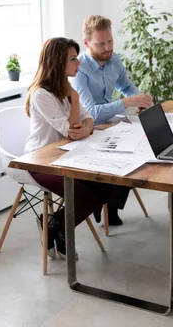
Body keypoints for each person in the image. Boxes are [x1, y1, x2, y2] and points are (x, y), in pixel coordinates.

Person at [24, 37, 113, 259]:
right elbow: (71, 129)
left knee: (106, 189)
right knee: (80, 194)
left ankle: (54, 225)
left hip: (69, 156)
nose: (78, 63)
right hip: (42, 163)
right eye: (73, 59)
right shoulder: (42, 95)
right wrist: (73, 99)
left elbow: (86, 118)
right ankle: (59, 228)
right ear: (57, 62)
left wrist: (87, 129)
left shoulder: (64, 87)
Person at [70, 15, 153, 225]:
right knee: (129, 156)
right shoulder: (79, 70)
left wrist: (140, 99)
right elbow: (92, 113)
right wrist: (129, 102)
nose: (107, 48)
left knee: (144, 150)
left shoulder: (113, 59)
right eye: (101, 44)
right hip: (88, 130)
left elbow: (126, 87)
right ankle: (107, 202)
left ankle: (110, 203)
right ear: (87, 43)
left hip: (109, 126)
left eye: (110, 41)